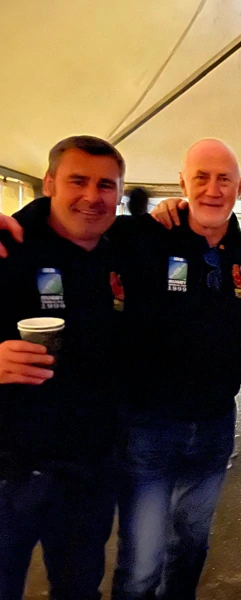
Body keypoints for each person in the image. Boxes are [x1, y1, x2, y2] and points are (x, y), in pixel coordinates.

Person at [110, 139, 241, 599]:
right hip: (149, 425)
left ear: (240, 187)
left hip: (215, 423)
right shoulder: (146, 236)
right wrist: (19, 223)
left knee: (191, 544)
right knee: (142, 561)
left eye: (224, 179)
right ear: (182, 182)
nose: (212, 190)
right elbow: (74, 225)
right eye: (201, 177)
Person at [0, 135, 126, 599]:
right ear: (49, 183)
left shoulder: (122, 251)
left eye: (106, 185)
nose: (92, 196)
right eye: (78, 181)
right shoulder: (9, 244)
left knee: (79, 588)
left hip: (88, 467)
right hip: (10, 468)